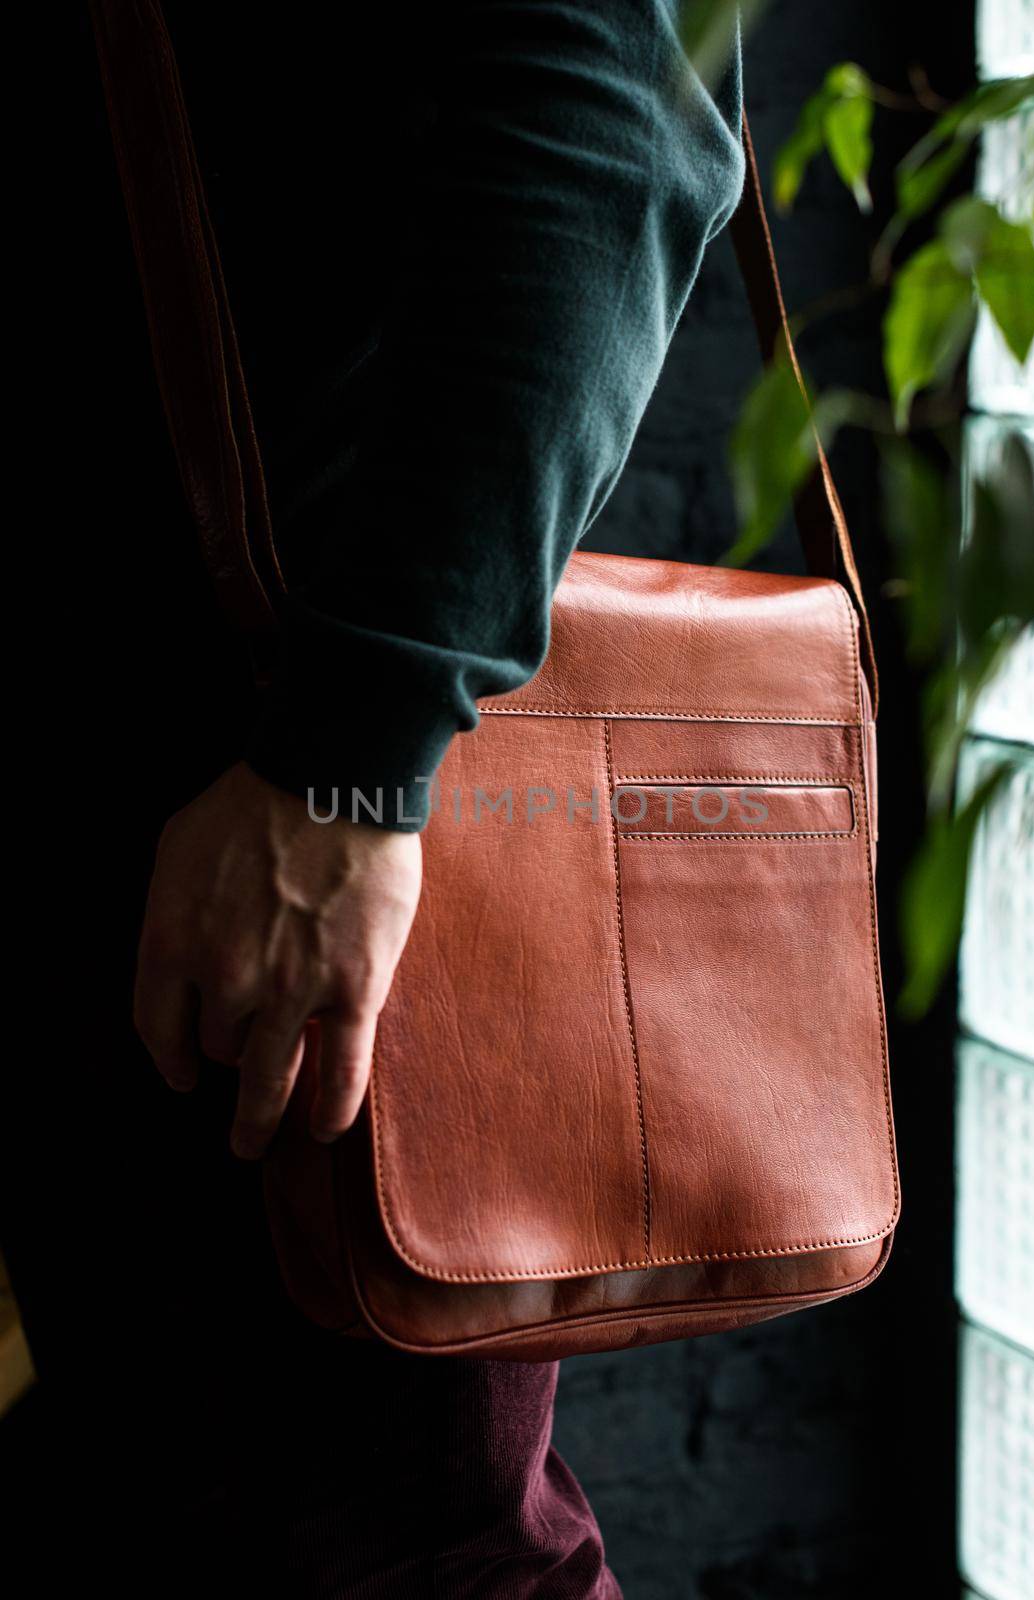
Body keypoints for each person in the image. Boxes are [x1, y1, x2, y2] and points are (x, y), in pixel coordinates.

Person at [4, 3, 744, 1592]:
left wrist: (352, 761)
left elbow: (627, 111)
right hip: (162, 834)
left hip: (245, 845)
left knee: (394, 1556)